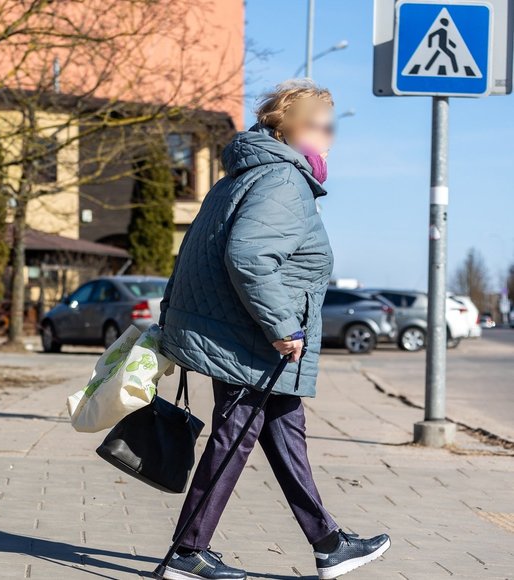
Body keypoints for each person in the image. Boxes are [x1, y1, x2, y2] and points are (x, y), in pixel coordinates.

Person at [155, 80, 390, 580]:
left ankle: (328, 544)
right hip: (253, 337)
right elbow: (248, 256)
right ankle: (186, 551)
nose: (330, 137)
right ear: (293, 129)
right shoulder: (282, 180)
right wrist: (284, 325)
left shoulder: (244, 176)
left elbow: (201, 252)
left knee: (284, 433)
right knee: (235, 436)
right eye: (323, 126)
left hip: (239, 330)